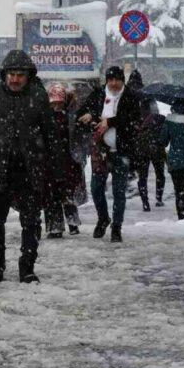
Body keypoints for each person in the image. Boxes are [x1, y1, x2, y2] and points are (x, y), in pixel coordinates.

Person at [0, 50, 55, 283]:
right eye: (11, 74)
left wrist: (53, 163)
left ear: (28, 76)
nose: (15, 79)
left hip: (29, 170)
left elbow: (50, 133)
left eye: (20, 75)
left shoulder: (38, 96)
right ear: (4, 75)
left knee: (32, 222)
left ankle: (27, 267)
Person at [76, 66, 142, 242]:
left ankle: (117, 227)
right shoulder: (98, 94)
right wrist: (89, 116)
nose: (114, 83)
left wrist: (110, 122)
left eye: (117, 80)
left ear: (123, 80)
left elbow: (133, 120)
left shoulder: (130, 97)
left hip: (121, 151)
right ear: (106, 80)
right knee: (96, 188)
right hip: (100, 152)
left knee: (119, 191)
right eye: (110, 80)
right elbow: (81, 114)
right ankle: (103, 218)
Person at [44, 83, 84, 239]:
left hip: (67, 162)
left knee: (67, 194)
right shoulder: (46, 118)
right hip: (50, 162)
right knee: (52, 195)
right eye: (54, 103)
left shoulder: (71, 118)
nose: (56, 106)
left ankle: (73, 223)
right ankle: (55, 228)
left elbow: (77, 138)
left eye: (59, 102)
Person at [126, 69, 166, 212]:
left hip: (139, 142)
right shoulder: (148, 95)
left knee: (142, 174)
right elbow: (156, 115)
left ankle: (145, 202)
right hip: (154, 140)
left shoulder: (126, 97)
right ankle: (159, 198)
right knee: (159, 172)